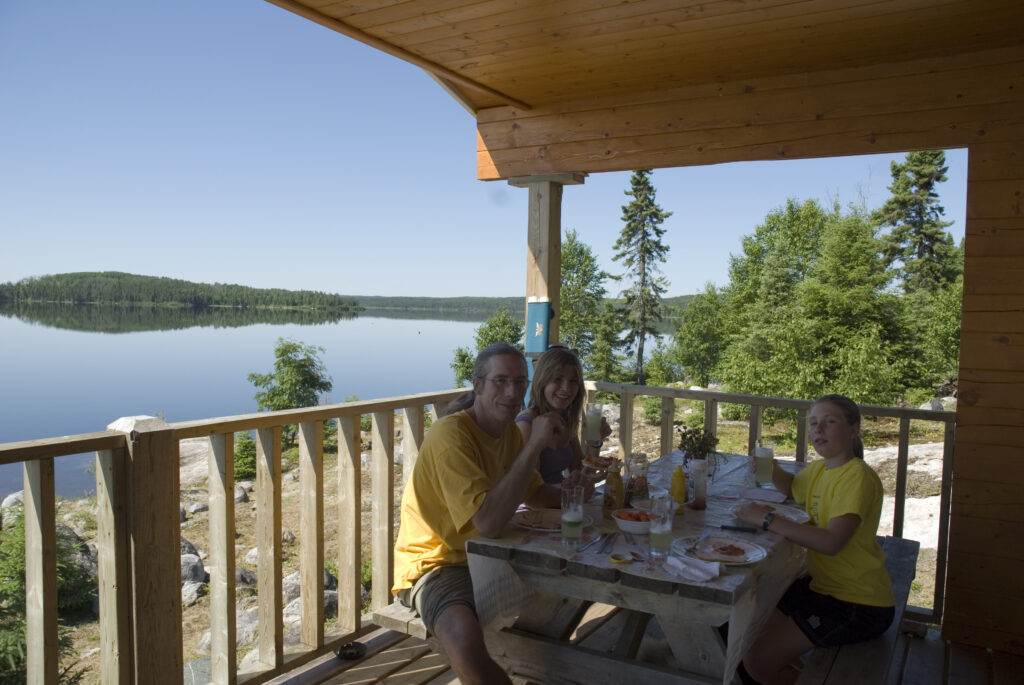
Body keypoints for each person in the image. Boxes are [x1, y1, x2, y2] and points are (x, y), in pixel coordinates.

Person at [391, 342, 566, 685]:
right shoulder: (452, 434)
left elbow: (538, 495)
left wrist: (583, 492)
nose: (512, 392)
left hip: (493, 553)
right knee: (464, 642)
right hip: (436, 562)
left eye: (520, 382)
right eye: (501, 381)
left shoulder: (508, 435)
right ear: (478, 385)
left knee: (569, 581)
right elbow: (485, 522)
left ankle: (546, 663)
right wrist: (535, 445)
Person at [734, 394, 895, 685]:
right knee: (751, 617)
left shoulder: (856, 477)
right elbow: (795, 490)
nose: (818, 430)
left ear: (853, 429)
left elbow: (832, 543)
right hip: (825, 586)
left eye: (829, 422)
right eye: (814, 423)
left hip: (857, 603)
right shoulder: (823, 468)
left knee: (756, 662)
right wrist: (771, 468)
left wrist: (768, 520)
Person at [515, 344, 611, 483]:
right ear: (542, 381)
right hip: (534, 504)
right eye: (557, 379)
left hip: (561, 501)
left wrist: (595, 443)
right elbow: (530, 492)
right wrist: (573, 487)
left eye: (573, 381)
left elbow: (579, 470)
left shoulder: (564, 420)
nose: (566, 388)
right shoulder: (527, 424)